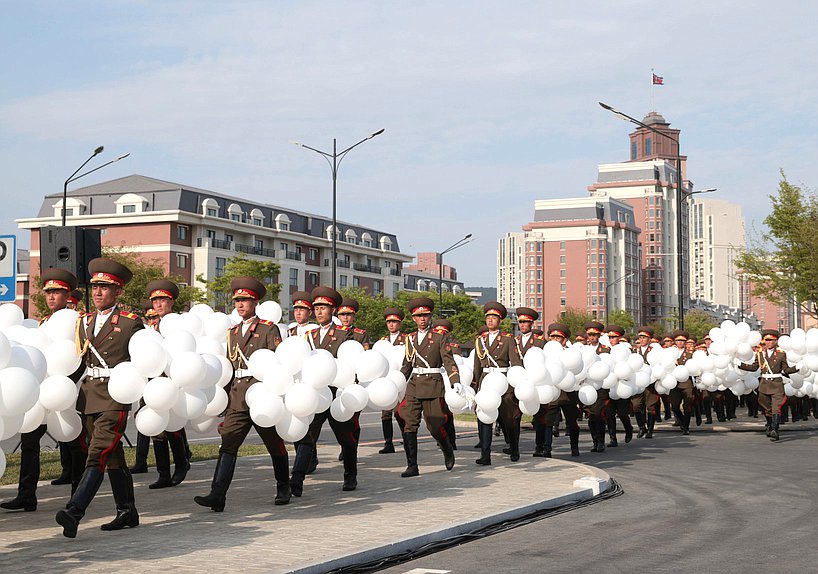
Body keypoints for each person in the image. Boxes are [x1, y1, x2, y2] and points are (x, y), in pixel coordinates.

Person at [56, 258, 144, 538]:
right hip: (89, 396)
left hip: (115, 395)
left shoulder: (131, 323)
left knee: (97, 454)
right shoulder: (84, 322)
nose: (97, 292)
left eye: (104, 287)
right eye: (95, 286)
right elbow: (79, 363)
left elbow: (144, 360)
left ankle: (74, 511)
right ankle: (127, 511)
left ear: (117, 292)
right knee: (113, 455)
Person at [194, 277, 290, 512]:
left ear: (255, 302)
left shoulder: (268, 328)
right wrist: (224, 401)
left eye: (245, 300)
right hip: (237, 396)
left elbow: (276, 362)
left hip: (261, 393)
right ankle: (217, 494)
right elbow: (229, 366)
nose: (240, 305)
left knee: (273, 443)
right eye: (237, 300)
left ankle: (284, 486)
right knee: (228, 444)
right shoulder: (232, 331)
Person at [1, 269, 84, 512]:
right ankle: (26, 494)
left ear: (67, 294)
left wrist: (68, 387)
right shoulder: (44, 323)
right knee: (29, 442)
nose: (50, 298)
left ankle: (77, 497)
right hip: (41, 392)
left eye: (56, 292)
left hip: (67, 391)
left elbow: (81, 359)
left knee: (75, 443)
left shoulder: (78, 321)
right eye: (48, 293)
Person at [289, 287, 358, 496]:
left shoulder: (343, 334)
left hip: (337, 394)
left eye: (324, 308)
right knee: (307, 437)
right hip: (317, 394)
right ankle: (297, 480)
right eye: (317, 308)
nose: (319, 312)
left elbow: (350, 363)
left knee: (346, 438)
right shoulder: (308, 335)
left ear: (333, 310)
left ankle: (350, 475)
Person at [130, 280, 192, 489]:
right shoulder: (150, 327)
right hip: (152, 381)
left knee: (172, 426)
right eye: (155, 300)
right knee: (156, 427)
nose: (158, 304)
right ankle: (163, 473)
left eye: (162, 300)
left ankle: (182, 463)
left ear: (171, 301)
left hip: (172, 381)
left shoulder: (178, 326)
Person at [397, 297, 460, 476]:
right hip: (415, 384)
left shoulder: (440, 336)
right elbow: (407, 365)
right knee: (409, 424)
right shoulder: (410, 338)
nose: (423, 319)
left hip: (433, 384)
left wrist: (455, 381)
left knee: (434, 425)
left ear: (430, 316)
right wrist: (397, 382)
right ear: (413, 319)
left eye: (425, 315)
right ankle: (412, 465)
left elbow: (448, 361)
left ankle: (446, 447)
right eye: (419, 316)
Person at [471, 302, 523, 465]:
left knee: (509, 419)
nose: (490, 321)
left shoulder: (508, 340)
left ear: (500, 320)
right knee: (484, 418)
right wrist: (475, 387)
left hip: (504, 383)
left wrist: (515, 385)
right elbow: (477, 366)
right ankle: (485, 454)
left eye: (494, 318)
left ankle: (514, 448)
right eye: (488, 318)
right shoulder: (480, 341)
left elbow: (515, 363)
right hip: (486, 382)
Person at [738, 330, 796, 441]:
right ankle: (769, 425)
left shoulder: (781, 354)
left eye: (771, 340)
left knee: (776, 408)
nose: (768, 342)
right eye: (766, 340)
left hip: (777, 384)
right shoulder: (760, 354)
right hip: (764, 384)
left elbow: (786, 370)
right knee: (766, 407)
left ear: (776, 341)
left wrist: (797, 368)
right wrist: (740, 365)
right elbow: (754, 367)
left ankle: (775, 429)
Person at [541, 324, 581, 457]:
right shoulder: (545, 352)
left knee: (571, 422)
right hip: (551, 392)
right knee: (548, 421)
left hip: (568, 393)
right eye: (552, 337)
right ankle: (547, 449)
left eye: (558, 337)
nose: (555, 340)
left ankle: (574, 447)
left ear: (565, 339)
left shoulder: (571, 353)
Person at [514, 308, 548, 456]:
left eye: (525, 322)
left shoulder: (540, 342)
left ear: (532, 323)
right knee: (514, 416)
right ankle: (513, 446)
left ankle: (540, 447)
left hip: (536, 383)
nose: (522, 325)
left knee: (540, 417)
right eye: (520, 322)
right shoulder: (514, 341)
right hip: (519, 382)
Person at [379, 307, 406, 454]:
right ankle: (388, 443)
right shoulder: (383, 341)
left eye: (394, 322)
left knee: (400, 413)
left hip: (401, 381)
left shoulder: (406, 340)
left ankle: (406, 438)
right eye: (389, 322)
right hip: (386, 382)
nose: (391, 325)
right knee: (386, 414)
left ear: (399, 323)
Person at [432, 318, 461, 449]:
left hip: (449, 382)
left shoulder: (453, 346)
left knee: (448, 414)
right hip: (437, 381)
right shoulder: (432, 343)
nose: (441, 333)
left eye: (443, 331)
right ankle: (442, 439)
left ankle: (451, 441)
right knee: (439, 413)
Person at [583, 322, 611, 452]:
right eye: (590, 335)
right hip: (586, 386)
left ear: (599, 335)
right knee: (590, 415)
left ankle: (600, 441)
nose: (592, 337)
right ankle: (594, 440)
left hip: (601, 387)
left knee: (598, 414)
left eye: (595, 335)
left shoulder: (605, 349)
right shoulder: (583, 349)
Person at [604, 325, 634, 447]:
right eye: (610, 337)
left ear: (620, 337)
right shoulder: (605, 350)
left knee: (622, 413)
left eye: (614, 337)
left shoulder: (625, 350)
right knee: (609, 414)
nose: (612, 340)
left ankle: (628, 429)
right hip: (609, 385)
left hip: (622, 385)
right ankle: (613, 438)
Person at [631, 327, 660, 438]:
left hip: (650, 383)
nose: (642, 339)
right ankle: (642, 427)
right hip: (638, 382)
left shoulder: (654, 351)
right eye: (640, 337)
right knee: (636, 406)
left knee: (650, 406)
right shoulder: (635, 351)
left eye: (644, 337)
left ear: (650, 339)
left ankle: (650, 431)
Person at [669, 330, 695, 435]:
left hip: (686, 383)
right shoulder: (670, 353)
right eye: (678, 340)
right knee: (674, 406)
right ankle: (682, 422)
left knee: (687, 406)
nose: (680, 342)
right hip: (674, 382)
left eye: (682, 340)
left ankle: (686, 427)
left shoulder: (690, 354)